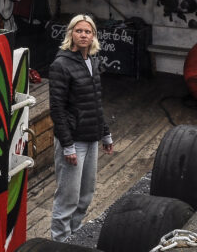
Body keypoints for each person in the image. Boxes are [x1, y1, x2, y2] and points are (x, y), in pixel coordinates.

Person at [49, 14, 114, 242]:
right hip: (73, 141)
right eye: (79, 31)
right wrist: (67, 145)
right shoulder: (61, 65)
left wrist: (105, 133)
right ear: (71, 34)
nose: (83, 35)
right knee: (67, 199)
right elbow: (57, 109)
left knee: (85, 196)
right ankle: (60, 243)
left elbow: (94, 102)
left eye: (88, 31)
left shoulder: (92, 62)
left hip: (91, 137)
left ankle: (74, 239)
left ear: (93, 35)